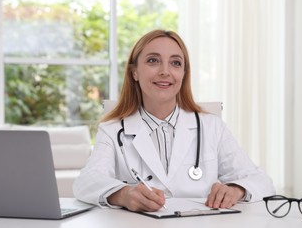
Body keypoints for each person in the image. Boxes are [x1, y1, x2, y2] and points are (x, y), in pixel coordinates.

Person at [73, 29, 275, 212]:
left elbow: (262, 181)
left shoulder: (212, 127)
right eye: (153, 60)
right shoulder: (112, 130)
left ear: (183, 74)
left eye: (176, 63)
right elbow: (86, 182)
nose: (165, 71)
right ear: (134, 72)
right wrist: (123, 194)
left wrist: (236, 189)